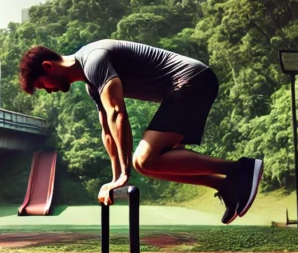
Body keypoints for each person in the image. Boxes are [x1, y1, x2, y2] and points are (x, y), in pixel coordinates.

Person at [18, 39, 263, 224]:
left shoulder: (94, 60)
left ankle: (240, 169)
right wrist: (116, 178)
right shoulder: (91, 85)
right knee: (150, 165)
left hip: (191, 81)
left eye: (42, 85)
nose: (48, 91)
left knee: (143, 160)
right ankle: (226, 186)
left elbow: (118, 113)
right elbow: (108, 131)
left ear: (48, 66)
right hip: (186, 87)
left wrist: (125, 173)